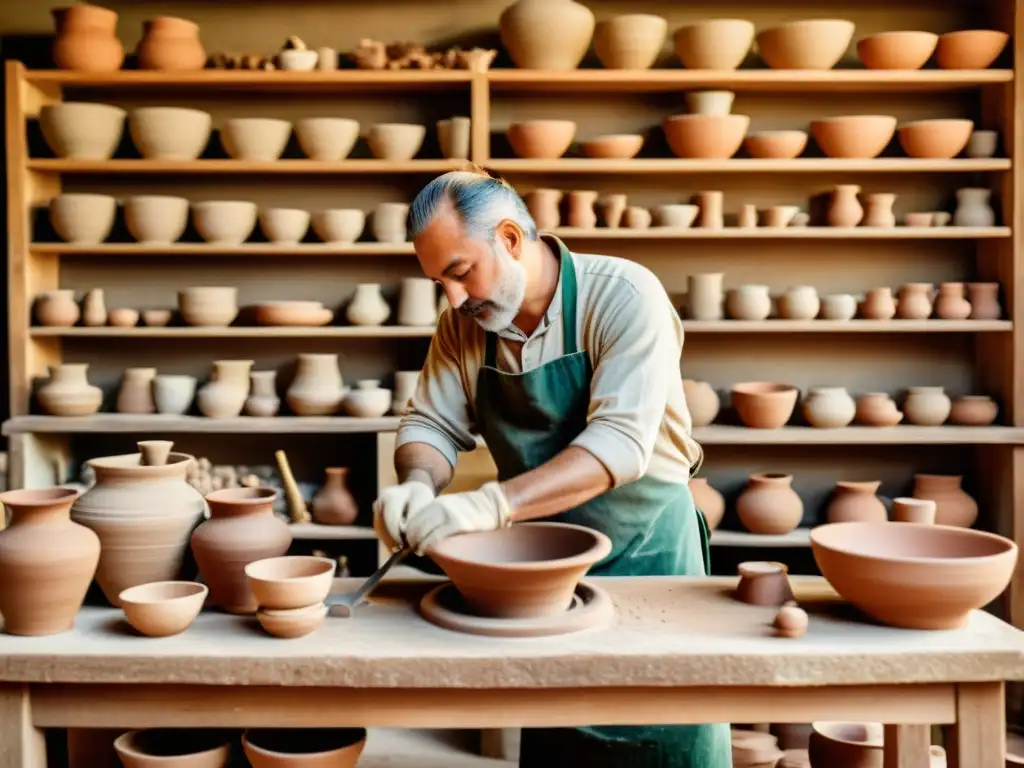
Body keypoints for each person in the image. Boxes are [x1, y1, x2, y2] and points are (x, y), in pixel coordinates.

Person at [372, 169, 731, 767]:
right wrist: (414, 483)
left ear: (510, 238)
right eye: (439, 282)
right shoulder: (464, 327)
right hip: (544, 578)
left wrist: (491, 505)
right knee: (559, 726)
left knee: (668, 729)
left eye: (460, 272)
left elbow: (618, 444)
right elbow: (429, 425)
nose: (454, 298)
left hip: (650, 560)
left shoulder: (623, 295)